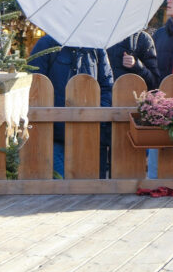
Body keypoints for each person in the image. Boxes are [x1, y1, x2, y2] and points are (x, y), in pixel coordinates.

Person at [28, 35, 114, 177]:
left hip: (87, 133)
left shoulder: (96, 48)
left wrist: (97, 114)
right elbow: (34, 84)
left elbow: (107, 85)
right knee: (59, 186)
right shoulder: (47, 44)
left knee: (85, 186)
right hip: (54, 134)